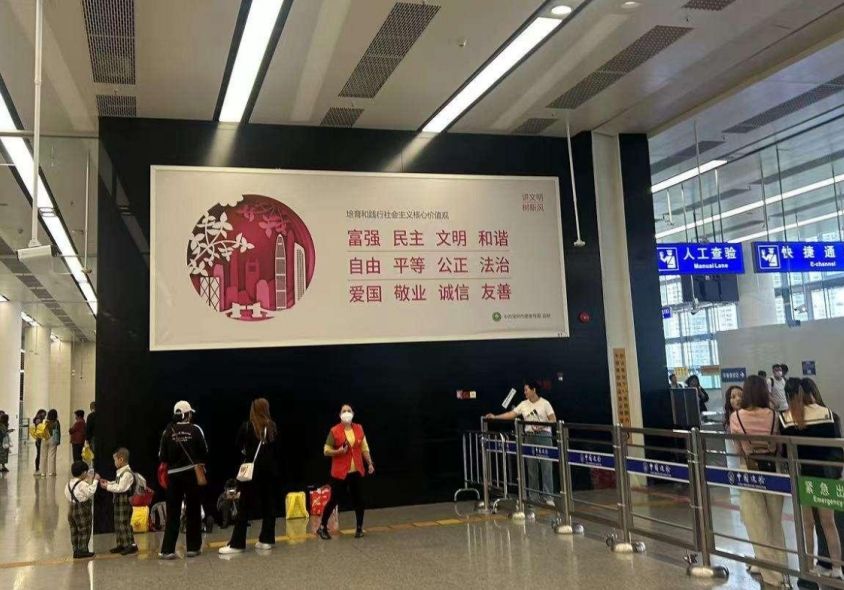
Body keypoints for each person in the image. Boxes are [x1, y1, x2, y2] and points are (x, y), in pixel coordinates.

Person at [780, 378, 843, 580]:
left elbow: (784, 453)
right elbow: (835, 447)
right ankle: (837, 569)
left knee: (807, 525)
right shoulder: (827, 414)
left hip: (802, 475)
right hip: (825, 475)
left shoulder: (786, 418)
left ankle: (808, 568)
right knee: (829, 523)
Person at [728, 375, 787, 588]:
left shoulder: (737, 417)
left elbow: (738, 449)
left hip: (749, 470)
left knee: (757, 524)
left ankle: (771, 575)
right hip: (773, 471)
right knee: (775, 522)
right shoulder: (773, 416)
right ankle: (783, 570)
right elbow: (779, 446)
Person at [219, 398, 278, 554]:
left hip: (251, 472)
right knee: (269, 504)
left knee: (244, 506)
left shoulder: (247, 426)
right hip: (269, 471)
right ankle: (267, 540)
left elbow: (239, 446)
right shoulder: (272, 427)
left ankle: (237, 543)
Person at [485, 382, 556, 505]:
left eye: (526, 390)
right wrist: (495, 417)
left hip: (544, 436)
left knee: (546, 467)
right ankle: (533, 496)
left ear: (534, 390)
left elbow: (553, 419)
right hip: (529, 436)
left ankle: (548, 497)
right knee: (531, 468)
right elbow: (511, 414)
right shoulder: (523, 404)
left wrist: (542, 425)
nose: (525, 392)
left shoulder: (545, 403)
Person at [317, 404, 374, 540]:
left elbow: (364, 448)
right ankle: (322, 527)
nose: (346, 413)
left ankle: (359, 528)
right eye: (344, 411)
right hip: (340, 473)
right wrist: (338, 451)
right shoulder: (334, 430)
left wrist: (370, 463)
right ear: (340, 415)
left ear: (353, 413)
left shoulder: (359, 428)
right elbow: (326, 450)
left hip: (356, 471)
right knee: (333, 500)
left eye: (349, 411)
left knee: (359, 500)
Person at [159, 401, 208, 559]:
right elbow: (204, 451)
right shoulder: (195, 429)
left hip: (173, 476)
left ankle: (167, 550)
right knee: (193, 510)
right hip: (191, 474)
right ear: (187, 414)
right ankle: (193, 548)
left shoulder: (168, 431)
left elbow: (162, 456)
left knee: (173, 512)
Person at [98, 447, 139, 556]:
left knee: (123, 522)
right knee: (118, 522)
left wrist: (107, 487)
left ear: (121, 460)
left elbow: (120, 488)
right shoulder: (121, 472)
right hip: (118, 500)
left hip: (124, 501)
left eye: (115, 460)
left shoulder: (127, 473)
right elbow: (117, 483)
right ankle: (121, 543)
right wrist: (108, 483)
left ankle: (130, 545)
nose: (114, 462)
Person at [65, 460, 98, 559]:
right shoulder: (82, 484)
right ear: (84, 473)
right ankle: (83, 550)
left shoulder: (69, 483)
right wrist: (95, 481)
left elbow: (67, 494)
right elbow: (90, 492)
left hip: (71, 508)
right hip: (82, 509)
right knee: (84, 529)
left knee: (74, 530)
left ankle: (76, 550)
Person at [723, 385, 743, 471]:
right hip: (734, 462)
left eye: (740, 396)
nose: (738, 399)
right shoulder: (728, 420)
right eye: (733, 397)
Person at [38, 409, 61, 477]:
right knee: (52, 456)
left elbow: (41, 430)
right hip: (52, 438)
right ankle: (51, 472)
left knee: (43, 456)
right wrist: (58, 441)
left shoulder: (44, 421)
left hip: (44, 438)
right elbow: (58, 432)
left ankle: (43, 472)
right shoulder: (56, 422)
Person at [30, 409, 46, 474]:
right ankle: (37, 468)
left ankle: (38, 468)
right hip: (39, 439)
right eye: (44, 414)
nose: (45, 416)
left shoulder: (39, 419)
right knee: (39, 454)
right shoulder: (38, 419)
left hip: (39, 439)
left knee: (39, 454)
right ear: (41, 413)